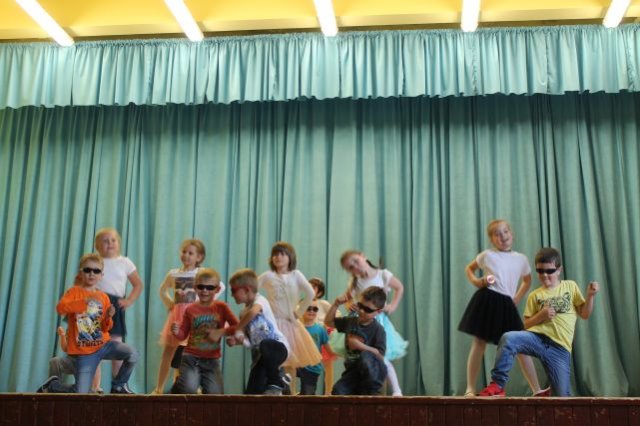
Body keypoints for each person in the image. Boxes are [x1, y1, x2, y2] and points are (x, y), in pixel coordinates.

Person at [479, 247, 599, 397]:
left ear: (559, 270)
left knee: (562, 397)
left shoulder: (570, 286)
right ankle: (497, 384)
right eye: (540, 271)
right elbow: (524, 326)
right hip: (537, 339)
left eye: (550, 271)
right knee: (509, 338)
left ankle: (551, 390)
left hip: (560, 349)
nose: (545, 275)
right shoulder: (534, 295)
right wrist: (540, 316)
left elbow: (585, 314)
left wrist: (590, 296)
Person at [458, 219, 543, 397]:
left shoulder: (521, 259)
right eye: (497, 234)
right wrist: (477, 281)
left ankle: (537, 390)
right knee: (479, 342)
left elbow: (527, 280)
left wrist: (517, 298)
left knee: (520, 345)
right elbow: (469, 268)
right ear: (491, 239)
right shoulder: (487, 255)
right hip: (487, 300)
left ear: (511, 233)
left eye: (505, 232)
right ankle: (470, 388)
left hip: (506, 305)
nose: (502, 236)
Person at [38, 253, 139, 394]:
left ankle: (118, 385)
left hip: (103, 345)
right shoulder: (73, 292)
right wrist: (83, 302)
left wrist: (108, 317)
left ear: (101, 275)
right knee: (81, 392)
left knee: (132, 353)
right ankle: (52, 386)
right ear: (81, 273)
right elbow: (60, 308)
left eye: (96, 271)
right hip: (85, 352)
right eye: (87, 270)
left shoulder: (103, 297)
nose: (92, 274)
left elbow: (105, 327)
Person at [153, 239, 226, 394]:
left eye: (190, 253)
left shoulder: (202, 273)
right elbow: (162, 290)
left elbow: (221, 286)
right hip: (177, 317)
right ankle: (159, 388)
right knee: (168, 353)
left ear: (199, 257)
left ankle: (188, 386)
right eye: (184, 252)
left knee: (191, 353)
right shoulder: (173, 273)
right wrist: (170, 303)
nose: (186, 255)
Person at [339, 250, 407, 396]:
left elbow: (399, 287)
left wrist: (392, 306)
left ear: (363, 256)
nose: (355, 267)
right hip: (360, 325)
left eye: (356, 261)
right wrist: (350, 305)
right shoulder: (356, 282)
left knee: (383, 357)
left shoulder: (383, 275)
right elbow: (348, 300)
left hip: (378, 323)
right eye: (351, 267)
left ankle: (397, 391)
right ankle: (362, 389)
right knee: (359, 358)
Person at [258, 242, 322, 394]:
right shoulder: (268, 275)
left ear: (290, 257)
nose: (278, 257)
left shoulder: (296, 275)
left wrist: (299, 312)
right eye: (275, 254)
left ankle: (290, 395)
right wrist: (261, 307)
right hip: (273, 325)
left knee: (290, 363)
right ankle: (275, 391)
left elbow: (310, 293)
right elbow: (253, 289)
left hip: (291, 325)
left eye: (282, 254)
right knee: (273, 360)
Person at [170, 268, 238, 394]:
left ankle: (183, 382)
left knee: (215, 394)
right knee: (188, 389)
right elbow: (183, 335)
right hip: (191, 358)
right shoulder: (190, 309)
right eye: (201, 287)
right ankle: (180, 385)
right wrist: (176, 331)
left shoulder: (222, 307)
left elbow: (237, 326)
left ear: (217, 289)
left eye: (210, 287)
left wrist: (221, 332)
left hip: (212, 360)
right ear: (195, 288)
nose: (205, 291)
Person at [227, 268, 290, 395]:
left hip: (277, 348)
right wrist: (239, 341)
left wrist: (238, 328)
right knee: (252, 392)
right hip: (260, 357)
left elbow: (253, 312)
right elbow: (250, 342)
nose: (232, 295)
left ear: (246, 290)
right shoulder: (243, 314)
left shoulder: (260, 301)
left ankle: (277, 382)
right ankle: (281, 379)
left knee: (265, 344)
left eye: (233, 290)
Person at [94, 228, 144, 385]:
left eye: (113, 240)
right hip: (96, 306)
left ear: (119, 243)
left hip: (115, 307)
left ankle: (119, 385)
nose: (110, 243)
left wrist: (129, 301)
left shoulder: (125, 262)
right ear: (97, 246)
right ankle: (95, 387)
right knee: (93, 347)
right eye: (105, 241)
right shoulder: (95, 262)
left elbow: (138, 284)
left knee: (117, 347)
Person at [325, 287, 387, 395]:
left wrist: (360, 346)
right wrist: (336, 304)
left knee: (366, 357)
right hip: (352, 373)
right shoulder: (351, 321)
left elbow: (380, 356)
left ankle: (372, 393)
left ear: (378, 311)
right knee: (337, 391)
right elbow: (328, 322)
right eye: (360, 306)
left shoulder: (378, 329)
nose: (362, 311)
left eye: (368, 310)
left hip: (371, 375)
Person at [309, 277, 339, 395]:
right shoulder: (302, 303)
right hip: (310, 339)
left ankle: (329, 392)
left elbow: (337, 314)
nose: (309, 288)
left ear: (320, 292)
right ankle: (307, 390)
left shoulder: (323, 304)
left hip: (323, 338)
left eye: (313, 287)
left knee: (328, 366)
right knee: (308, 366)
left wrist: (328, 326)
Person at [296, 300, 332, 395]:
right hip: (297, 365)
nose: (312, 311)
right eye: (308, 308)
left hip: (312, 367)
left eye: (315, 309)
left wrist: (337, 352)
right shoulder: (296, 328)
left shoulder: (320, 329)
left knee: (308, 394)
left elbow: (328, 347)